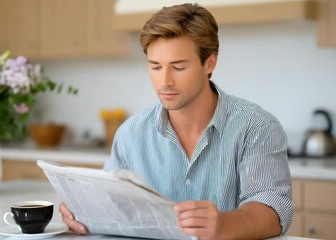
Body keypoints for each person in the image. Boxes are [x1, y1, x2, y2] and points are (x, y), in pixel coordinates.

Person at [60, 3, 293, 239]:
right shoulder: (131, 133)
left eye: (178, 67)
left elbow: (274, 208)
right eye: (155, 67)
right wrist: (81, 209)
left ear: (209, 63)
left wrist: (224, 224)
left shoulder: (257, 127)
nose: (164, 81)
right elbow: (109, 202)